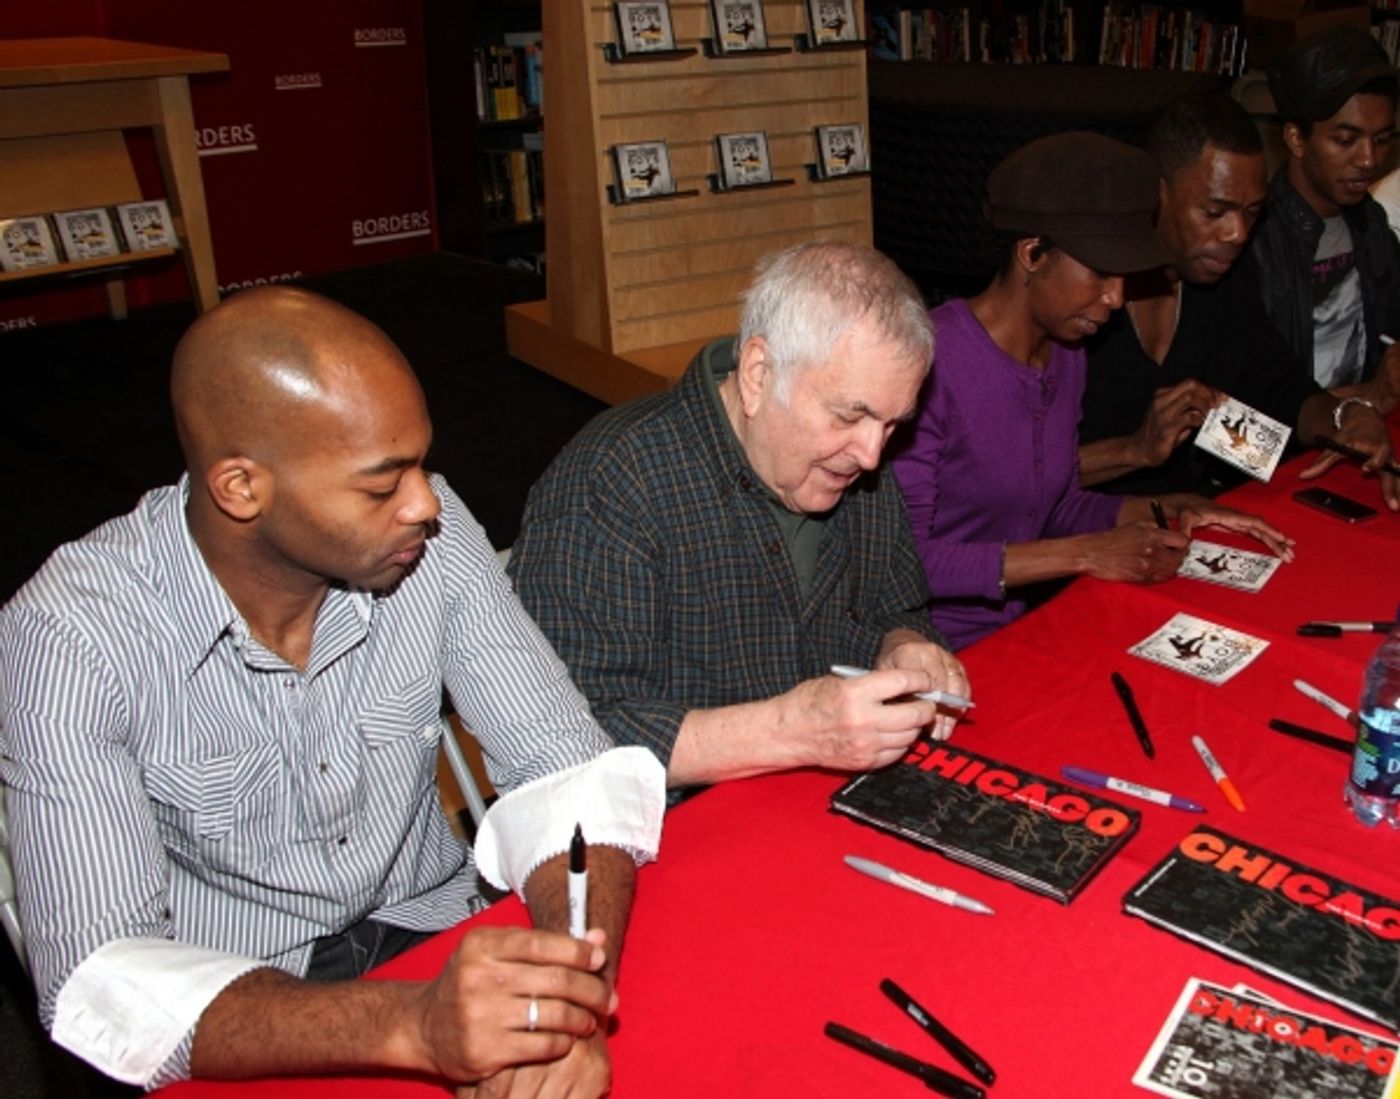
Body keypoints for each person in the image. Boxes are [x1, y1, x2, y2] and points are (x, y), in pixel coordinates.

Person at [0, 287, 665, 1094]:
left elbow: (570, 773)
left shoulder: (432, 537)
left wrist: (562, 999)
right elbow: (103, 975)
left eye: (420, 462)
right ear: (241, 488)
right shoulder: (68, 636)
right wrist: (413, 1023)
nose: (425, 503)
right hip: (238, 1000)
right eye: (382, 485)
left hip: (436, 934)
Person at [508, 241, 969, 794]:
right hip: (673, 822)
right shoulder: (613, 481)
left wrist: (903, 646)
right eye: (851, 415)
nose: (872, 455)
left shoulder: (852, 464)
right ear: (757, 373)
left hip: (826, 800)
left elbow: (898, 605)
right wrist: (792, 731)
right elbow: (567, 735)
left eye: (893, 424)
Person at [890, 133, 1292, 651]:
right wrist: (1087, 553)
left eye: (1125, 276)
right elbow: (907, 564)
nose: (1116, 297)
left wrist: (1173, 508)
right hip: (926, 650)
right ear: (1033, 253)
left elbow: (1053, 508)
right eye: (1101, 273)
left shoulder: (1067, 354)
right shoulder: (929, 362)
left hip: (1021, 633)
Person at [1078, 92, 1399, 509]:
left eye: (1251, 213)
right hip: (1084, 532)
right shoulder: (1077, 295)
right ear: (1154, 195)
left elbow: (1274, 393)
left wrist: (1347, 418)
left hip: (1188, 517)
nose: (1238, 234)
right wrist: (1133, 449)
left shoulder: (1224, 277)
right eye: (1215, 212)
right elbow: (1007, 480)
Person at [1250, 26, 1400, 391]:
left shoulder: (1371, 222)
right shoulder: (1253, 240)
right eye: (1346, 140)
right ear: (1296, 138)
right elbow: (1244, 395)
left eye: (1382, 140)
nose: (1369, 159)